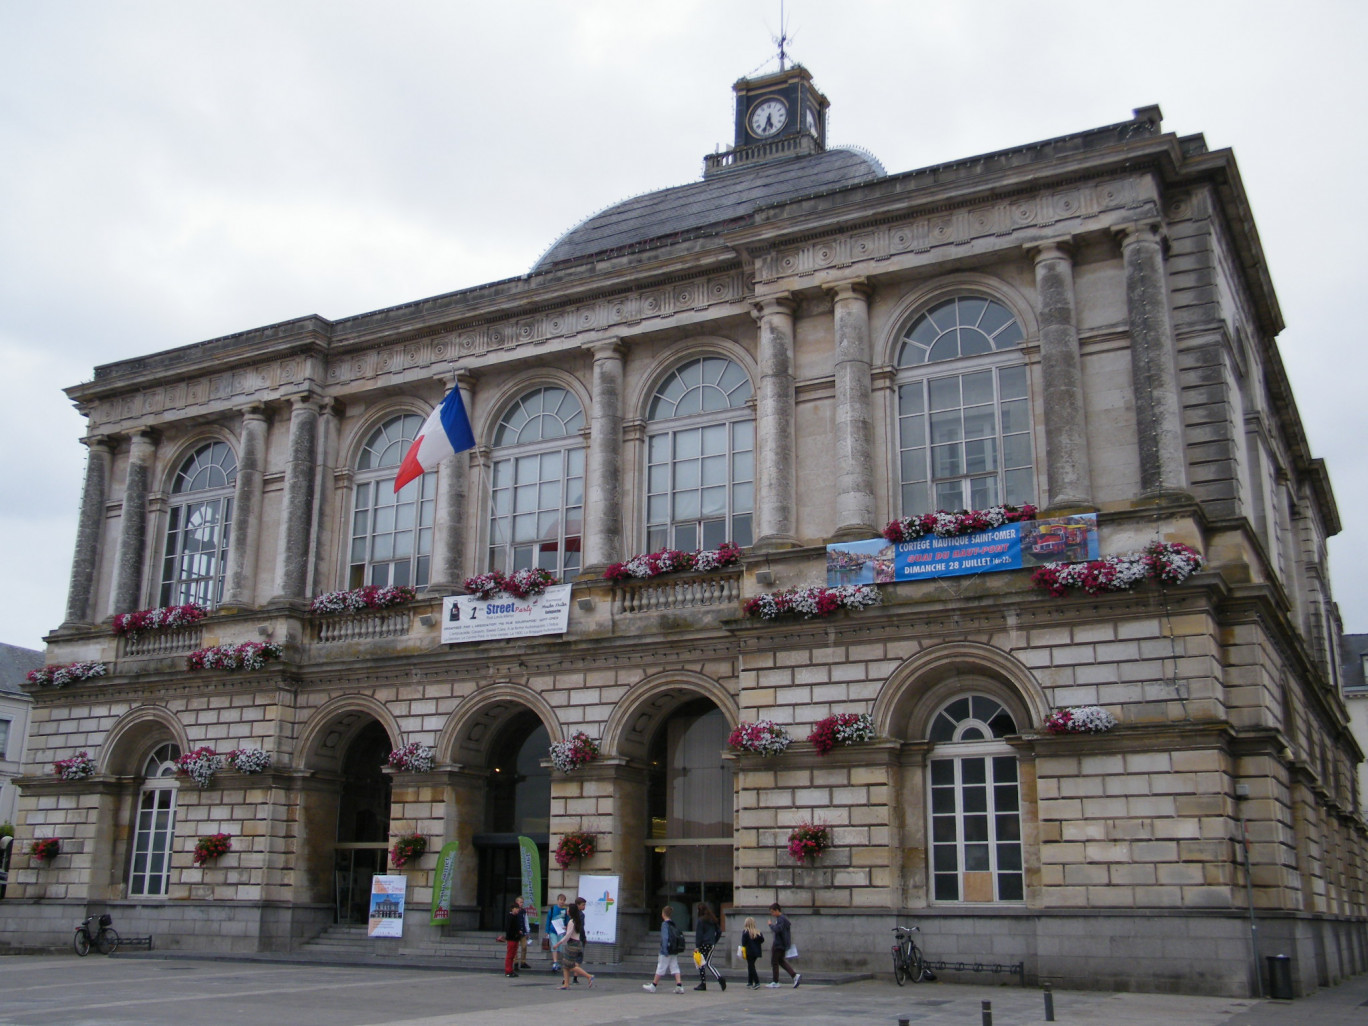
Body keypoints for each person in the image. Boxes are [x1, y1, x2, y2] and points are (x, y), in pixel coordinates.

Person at [551, 895, 595, 988]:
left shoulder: (572, 921)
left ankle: (589, 976)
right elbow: (573, 931)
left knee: (570, 965)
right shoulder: (576, 920)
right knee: (566, 965)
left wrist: (558, 944)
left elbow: (568, 936)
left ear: (571, 911)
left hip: (572, 944)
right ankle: (566, 984)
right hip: (576, 943)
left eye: (568, 909)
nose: (566, 911)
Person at [642, 904, 684, 993]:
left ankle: (653, 985)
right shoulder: (673, 924)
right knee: (675, 967)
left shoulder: (665, 924)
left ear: (663, 914)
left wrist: (664, 950)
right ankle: (679, 985)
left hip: (667, 949)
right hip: (673, 949)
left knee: (660, 967)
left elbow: (665, 938)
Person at [692, 902, 726, 990]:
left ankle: (714, 980)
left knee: (704, 963)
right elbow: (719, 931)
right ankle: (714, 980)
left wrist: (697, 946)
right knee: (705, 963)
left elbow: (699, 935)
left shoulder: (701, 921)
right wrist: (714, 941)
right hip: (711, 944)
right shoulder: (712, 920)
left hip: (703, 944)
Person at [766, 901, 800, 988]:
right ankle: (794, 975)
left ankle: (775, 981)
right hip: (782, 944)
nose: (772, 914)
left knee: (774, 962)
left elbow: (778, 929)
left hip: (779, 944)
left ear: (777, 910)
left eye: (773, 912)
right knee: (780, 961)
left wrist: (770, 925)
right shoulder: (782, 919)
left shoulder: (781, 919)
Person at [740, 916, 765, 989]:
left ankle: (757, 982)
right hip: (756, 952)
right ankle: (750, 982)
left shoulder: (745, 932)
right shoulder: (758, 932)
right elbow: (762, 940)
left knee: (751, 966)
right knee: (750, 965)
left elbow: (743, 943)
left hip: (749, 952)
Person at [546, 893, 570, 971]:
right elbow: (548, 920)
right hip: (553, 930)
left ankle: (557, 961)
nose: (562, 902)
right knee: (554, 945)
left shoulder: (565, 910)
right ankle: (555, 962)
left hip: (561, 931)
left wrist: (567, 928)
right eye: (560, 900)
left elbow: (567, 921)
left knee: (559, 947)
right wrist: (547, 931)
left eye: (563, 900)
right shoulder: (553, 909)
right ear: (557, 900)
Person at [503, 898, 526, 977]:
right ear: (512, 909)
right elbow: (509, 929)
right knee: (510, 955)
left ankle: (511, 970)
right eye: (516, 909)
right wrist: (516, 933)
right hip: (511, 938)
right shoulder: (510, 917)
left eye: (518, 909)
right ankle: (508, 971)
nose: (517, 910)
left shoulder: (516, 917)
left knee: (513, 955)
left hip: (516, 938)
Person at [515, 896, 532, 969]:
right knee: (515, 948)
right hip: (516, 932)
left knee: (524, 947)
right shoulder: (514, 911)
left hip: (523, 932)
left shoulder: (523, 911)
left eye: (522, 902)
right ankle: (515, 962)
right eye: (520, 902)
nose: (521, 904)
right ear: (516, 902)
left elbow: (526, 921)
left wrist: (527, 931)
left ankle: (523, 962)